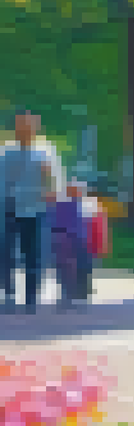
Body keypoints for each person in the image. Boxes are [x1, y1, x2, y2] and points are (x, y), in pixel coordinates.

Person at [2, 111, 65, 314]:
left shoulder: (46, 151)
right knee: (6, 252)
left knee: (34, 253)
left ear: (36, 126)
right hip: (9, 206)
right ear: (15, 127)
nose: (24, 128)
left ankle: (31, 297)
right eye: (20, 124)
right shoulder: (6, 151)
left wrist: (53, 191)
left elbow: (56, 180)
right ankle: (9, 292)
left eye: (28, 124)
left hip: (36, 207)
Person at [48, 180, 91, 312]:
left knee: (69, 267)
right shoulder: (76, 205)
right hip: (69, 239)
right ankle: (69, 294)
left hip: (71, 239)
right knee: (68, 267)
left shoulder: (64, 205)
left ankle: (71, 294)